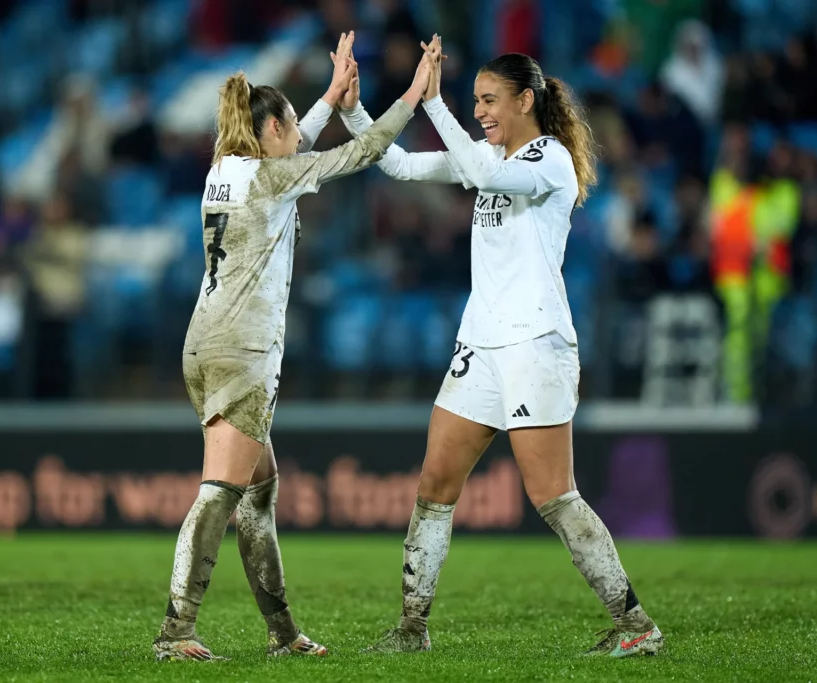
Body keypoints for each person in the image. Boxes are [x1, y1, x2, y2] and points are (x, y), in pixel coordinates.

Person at [336, 37, 664, 658]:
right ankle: (411, 629)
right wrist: (354, 111)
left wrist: (434, 103)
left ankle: (637, 625)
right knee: (434, 482)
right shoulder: (488, 154)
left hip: (535, 343)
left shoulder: (550, 160)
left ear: (525, 98)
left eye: (489, 100)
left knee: (553, 496)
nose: (480, 110)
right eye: (474, 100)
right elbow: (401, 165)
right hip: (481, 344)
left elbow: (485, 172)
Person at [153, 31, 433, 662]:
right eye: (291, 126)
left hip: (203, 340)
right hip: (245, 348)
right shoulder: (274, 178)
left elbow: (291, 140)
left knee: (259, 490)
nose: (298, 135)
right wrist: (415, 93)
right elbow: (365, 150)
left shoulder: (224, 171)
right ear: (274, 128)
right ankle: (176, 632)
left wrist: (332, 93)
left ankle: (283, 634)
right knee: (220, 492)